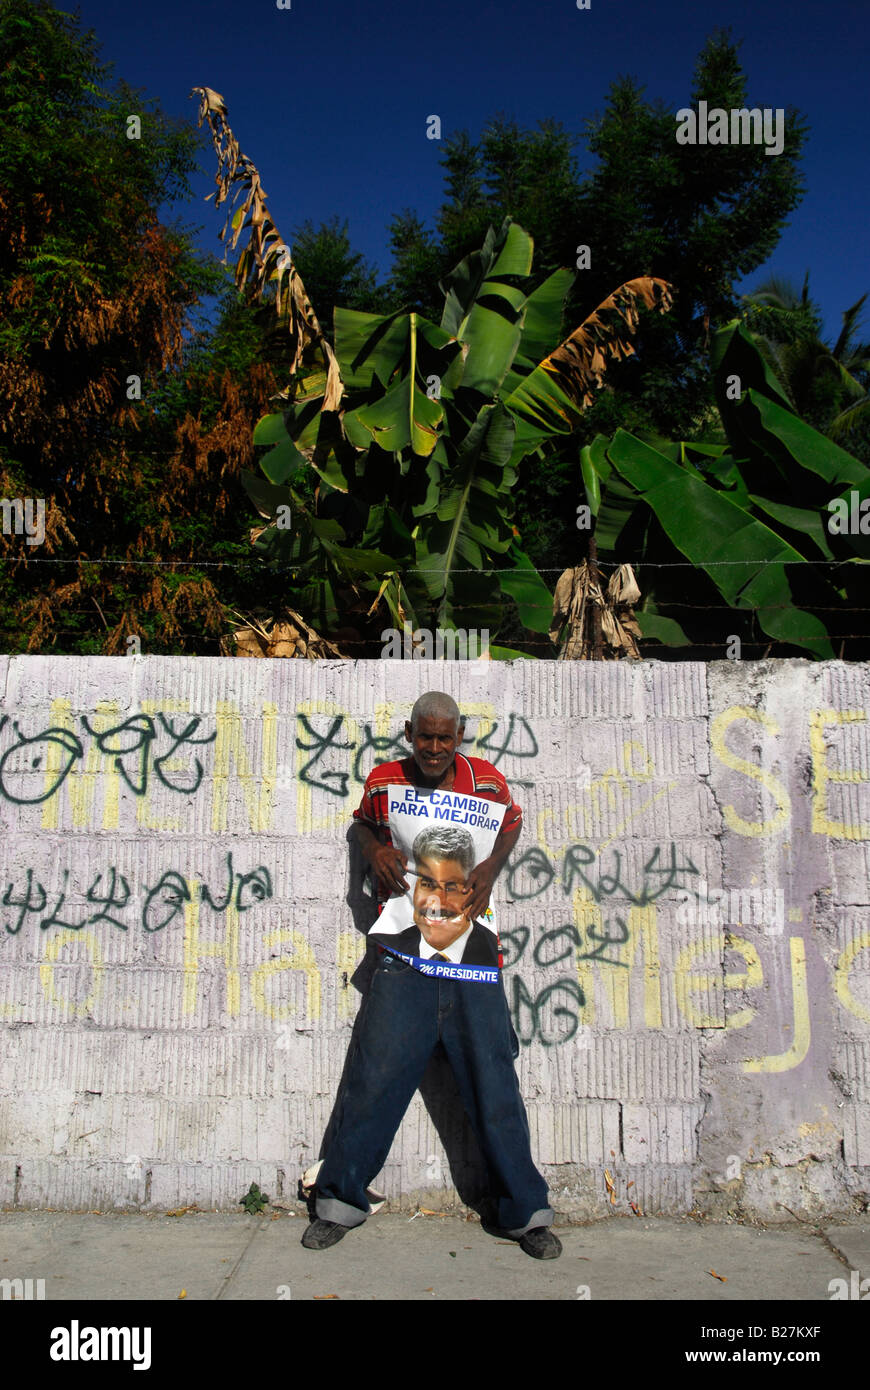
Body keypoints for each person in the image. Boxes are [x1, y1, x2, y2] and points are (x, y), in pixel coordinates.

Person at [301, 690, 561, 1259]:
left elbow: (511, 823)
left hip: (473, 956)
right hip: (401, 953)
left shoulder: (486, 782)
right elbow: (360, 826)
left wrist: (492, 867)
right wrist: (374, 853)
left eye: (446, 738)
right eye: (425, 737)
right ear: (409, 733)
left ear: (460, 736)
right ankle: (338, 1202)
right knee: (374, 1077)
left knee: (493, 1079)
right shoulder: (385, 781)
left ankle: (526, 1214)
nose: (435, 748)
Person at [377, 825, 500, 968]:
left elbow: (513, 821)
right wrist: (373, 849)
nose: (436, 903)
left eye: (451, 887)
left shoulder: (486, 953)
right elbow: (362, 822)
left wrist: (493, 864)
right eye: (428, 884)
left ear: (471, 886)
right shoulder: (393, 946)